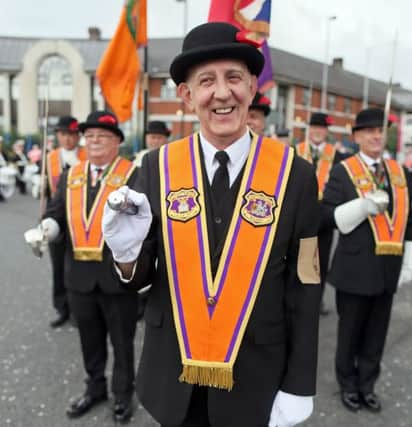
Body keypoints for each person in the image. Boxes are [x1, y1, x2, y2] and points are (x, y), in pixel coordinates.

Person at [102, 22, 322, 427]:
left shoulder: (297, 175)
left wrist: (298, 383)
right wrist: (127, 256)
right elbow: (135, 278)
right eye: (206, 81)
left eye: (234, 77)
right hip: (173, 375)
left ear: (253, 86)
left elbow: (305, 288)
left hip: (257, 377)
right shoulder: (155, 168)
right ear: (187, 96)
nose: (222, 93)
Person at [24, 111, 141, 423]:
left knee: (122, 341)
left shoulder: (134, 174)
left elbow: (145, 222)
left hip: (119, 278)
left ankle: (123, 393)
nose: (95, 141)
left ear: (117, 141)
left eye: (102, 136)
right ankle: (95, 388)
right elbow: (57, 213)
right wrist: (46, 228)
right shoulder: (71, 175)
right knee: (89, 339)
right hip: (78, 278)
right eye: (90, 136)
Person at [322, 107, 412, 414]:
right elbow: (327, 217)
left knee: (377, 334)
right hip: (354, 269)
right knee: (350, 333)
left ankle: (367, 385)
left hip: (388, 267)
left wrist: (410, 261)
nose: (376, 136)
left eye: (380, 130)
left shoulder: (399, 171)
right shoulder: (343, 170)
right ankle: (348, 385)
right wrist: (363, 206)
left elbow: (411, 219)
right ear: (356, 137)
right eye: (368, 131)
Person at [43, 116, 87, 328]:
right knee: (58, 266)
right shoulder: (50, 158)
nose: (68, 139)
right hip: (57, 217)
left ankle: (80, 309)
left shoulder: (88, 156)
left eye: (72, 134)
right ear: (58, 136)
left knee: (78, 266)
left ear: (78, 136)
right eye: (63, 135)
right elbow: (47, 189)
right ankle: (62, 308)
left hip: (81, 217)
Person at [296, 112, 340, 316]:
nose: (317, 131)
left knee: (320, 262)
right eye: (314, 127)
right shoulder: (294, 151)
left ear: (326, 131)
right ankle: (298, 298)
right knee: (297, 259)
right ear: (308, 129)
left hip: (324, 219)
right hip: (299, 217)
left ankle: (316, 301)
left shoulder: (338, 156)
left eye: (321, 128)